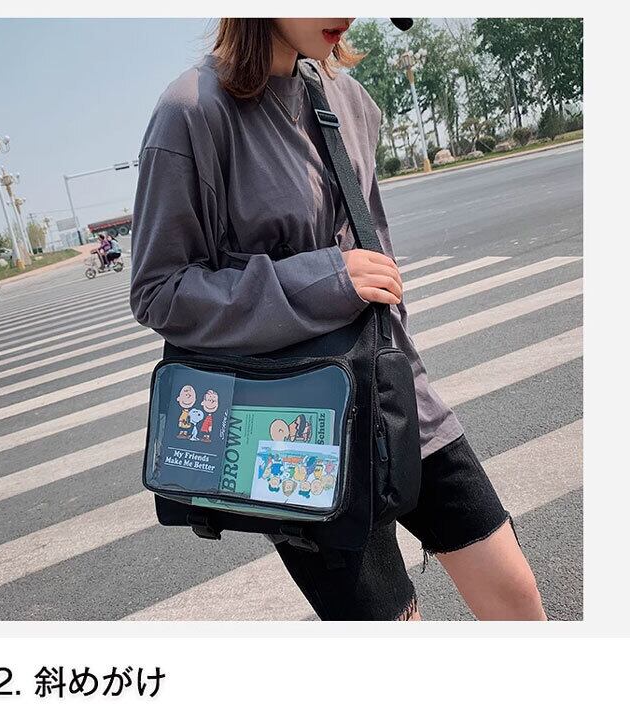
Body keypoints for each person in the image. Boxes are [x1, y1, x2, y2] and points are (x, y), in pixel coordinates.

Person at [130, 18, 546, 621]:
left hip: (393, 396)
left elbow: (374, 249)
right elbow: (159, 290)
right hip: (294, 431)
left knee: (515, 597)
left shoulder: (347, 98)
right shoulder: (192, 112)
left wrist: (397, 350)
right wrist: (324, 280)